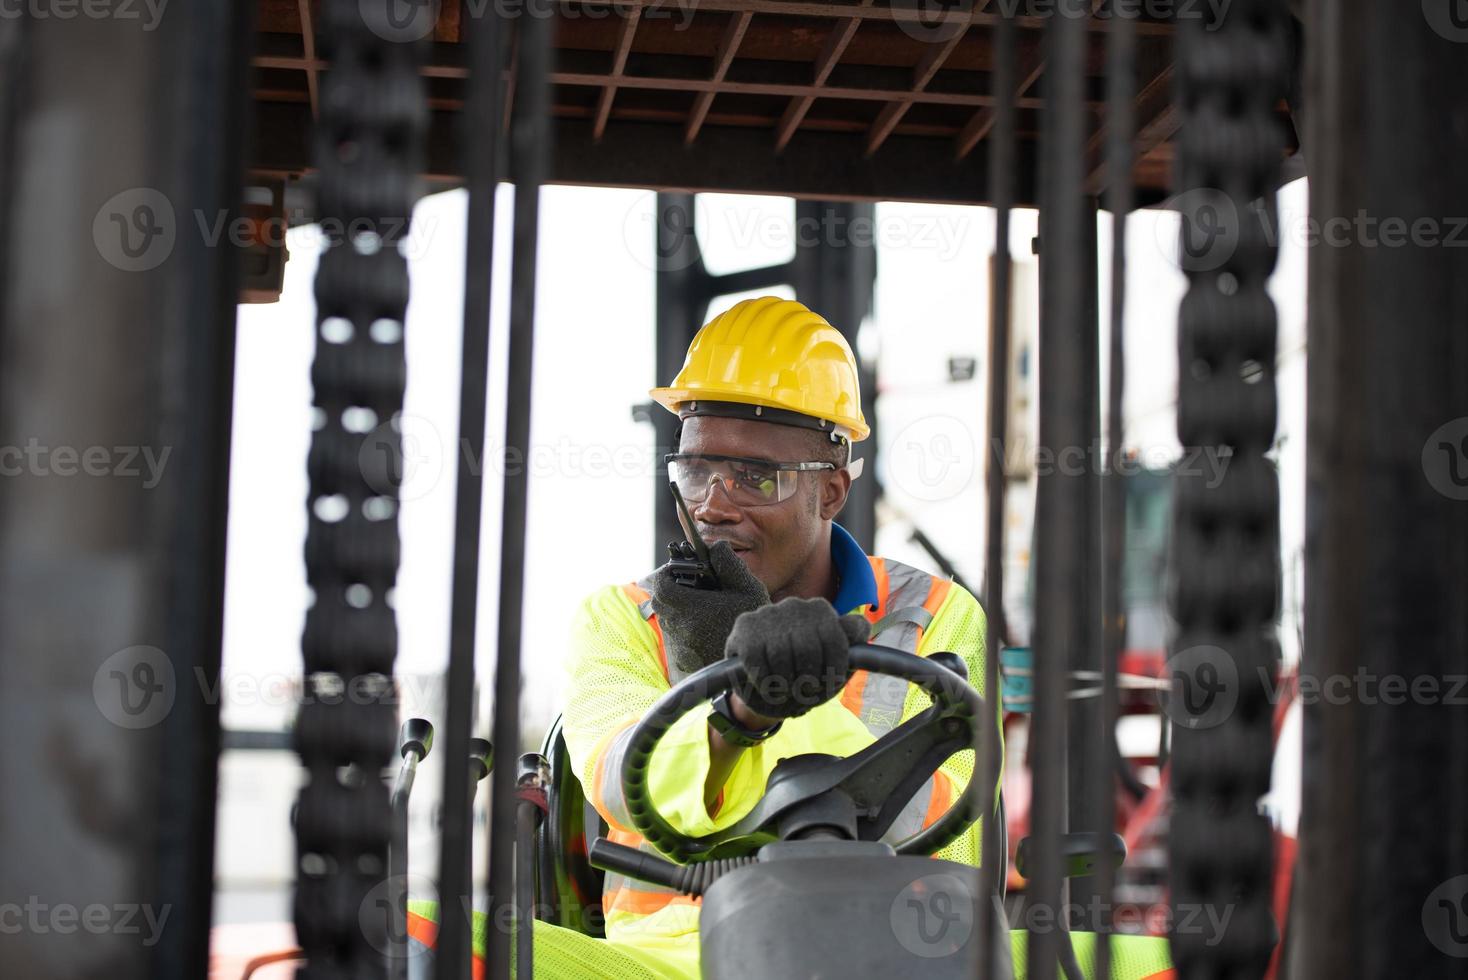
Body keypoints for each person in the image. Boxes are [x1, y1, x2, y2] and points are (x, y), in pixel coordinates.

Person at [559, 295, 994, 978]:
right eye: (697, 469)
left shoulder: (933, 612)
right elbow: (621, 783)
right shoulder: (620, 618)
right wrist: (737, 703)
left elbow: (949, 831)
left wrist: (774, 700)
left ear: (831, 492)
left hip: (892, 951)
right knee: (422, 930)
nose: (712, 504)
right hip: (669, 964)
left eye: (756, 477)